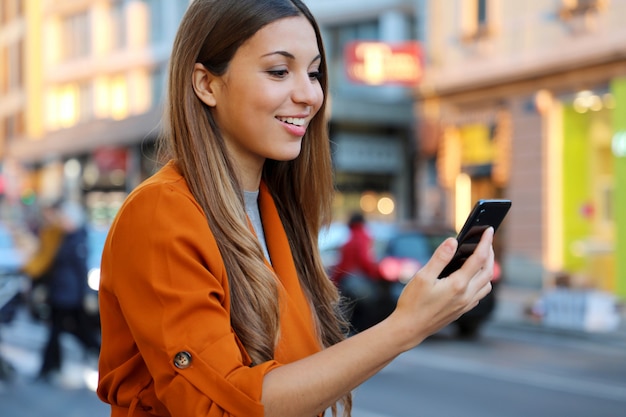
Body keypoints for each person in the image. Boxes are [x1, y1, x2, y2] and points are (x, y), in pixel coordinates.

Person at [96, 1, 495, 416]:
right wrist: (405, 325)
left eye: (314, 72)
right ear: (206, 84)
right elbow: (225, 405)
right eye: (278, 71)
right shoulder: (161, 212)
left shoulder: (276, 211)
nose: (309, 95)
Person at [22, 200, 100, 382]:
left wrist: (86, 294)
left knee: (68, 331)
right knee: (69, 331)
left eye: (65, 218)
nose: (62, 221)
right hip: (61, 292)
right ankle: (52, 366)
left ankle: (50, 367)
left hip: (69, 295)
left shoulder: (77, 239)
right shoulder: (64, 237)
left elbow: (81, 270)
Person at [330, 213, 383, 333]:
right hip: (359, 282)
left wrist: (335, 279)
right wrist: (374, 274)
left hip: (348, 282)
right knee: (365, 311)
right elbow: (365, 259)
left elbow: (342, 264)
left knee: (352, 313)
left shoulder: (349, 239)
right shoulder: (364, 237)